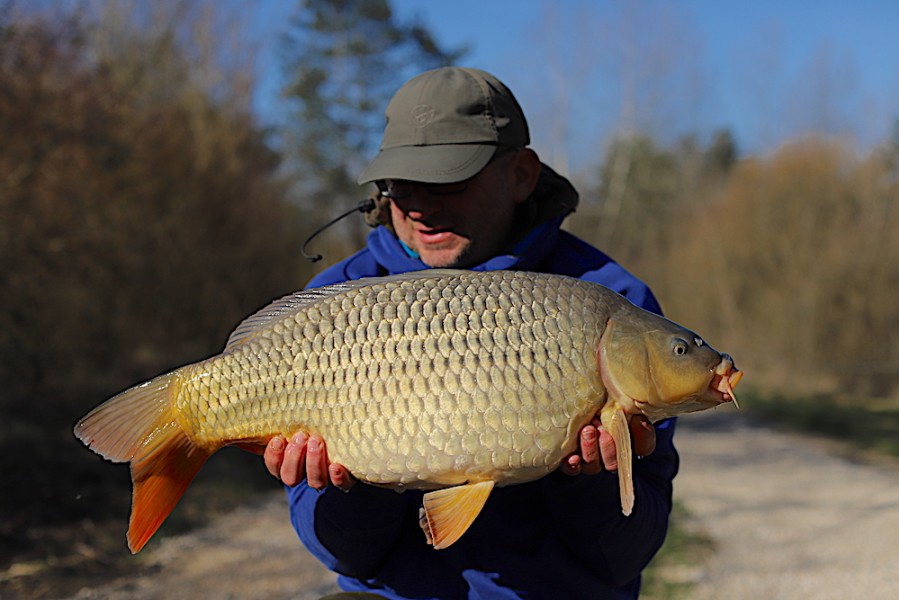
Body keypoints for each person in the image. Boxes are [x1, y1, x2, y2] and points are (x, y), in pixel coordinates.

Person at [263, 67, 677, 599]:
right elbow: (344, 555)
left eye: (446, 179)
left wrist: (588, 482)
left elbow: (626, 555)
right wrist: (360, 483)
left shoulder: (613, 307)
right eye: (399, 183)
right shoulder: (339, 304)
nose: (418, 204)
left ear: (522, 175)